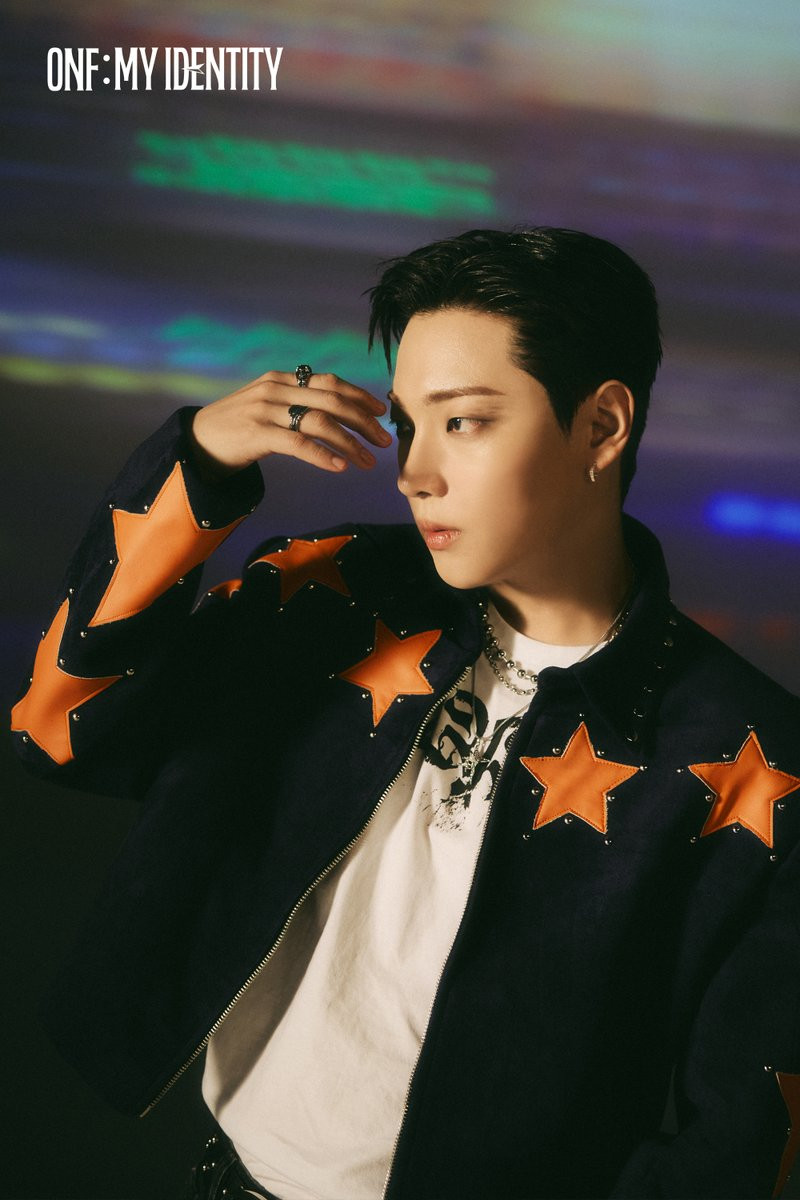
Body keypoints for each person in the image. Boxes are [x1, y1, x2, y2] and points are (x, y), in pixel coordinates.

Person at [10, 227, 800, 1200]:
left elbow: (736, 1145)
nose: (414, 471)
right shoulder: (333, 594)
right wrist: (197, 468)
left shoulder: (751, 761)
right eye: (405, 424)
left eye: (463, 421)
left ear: (601, 426)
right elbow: (59, 727)